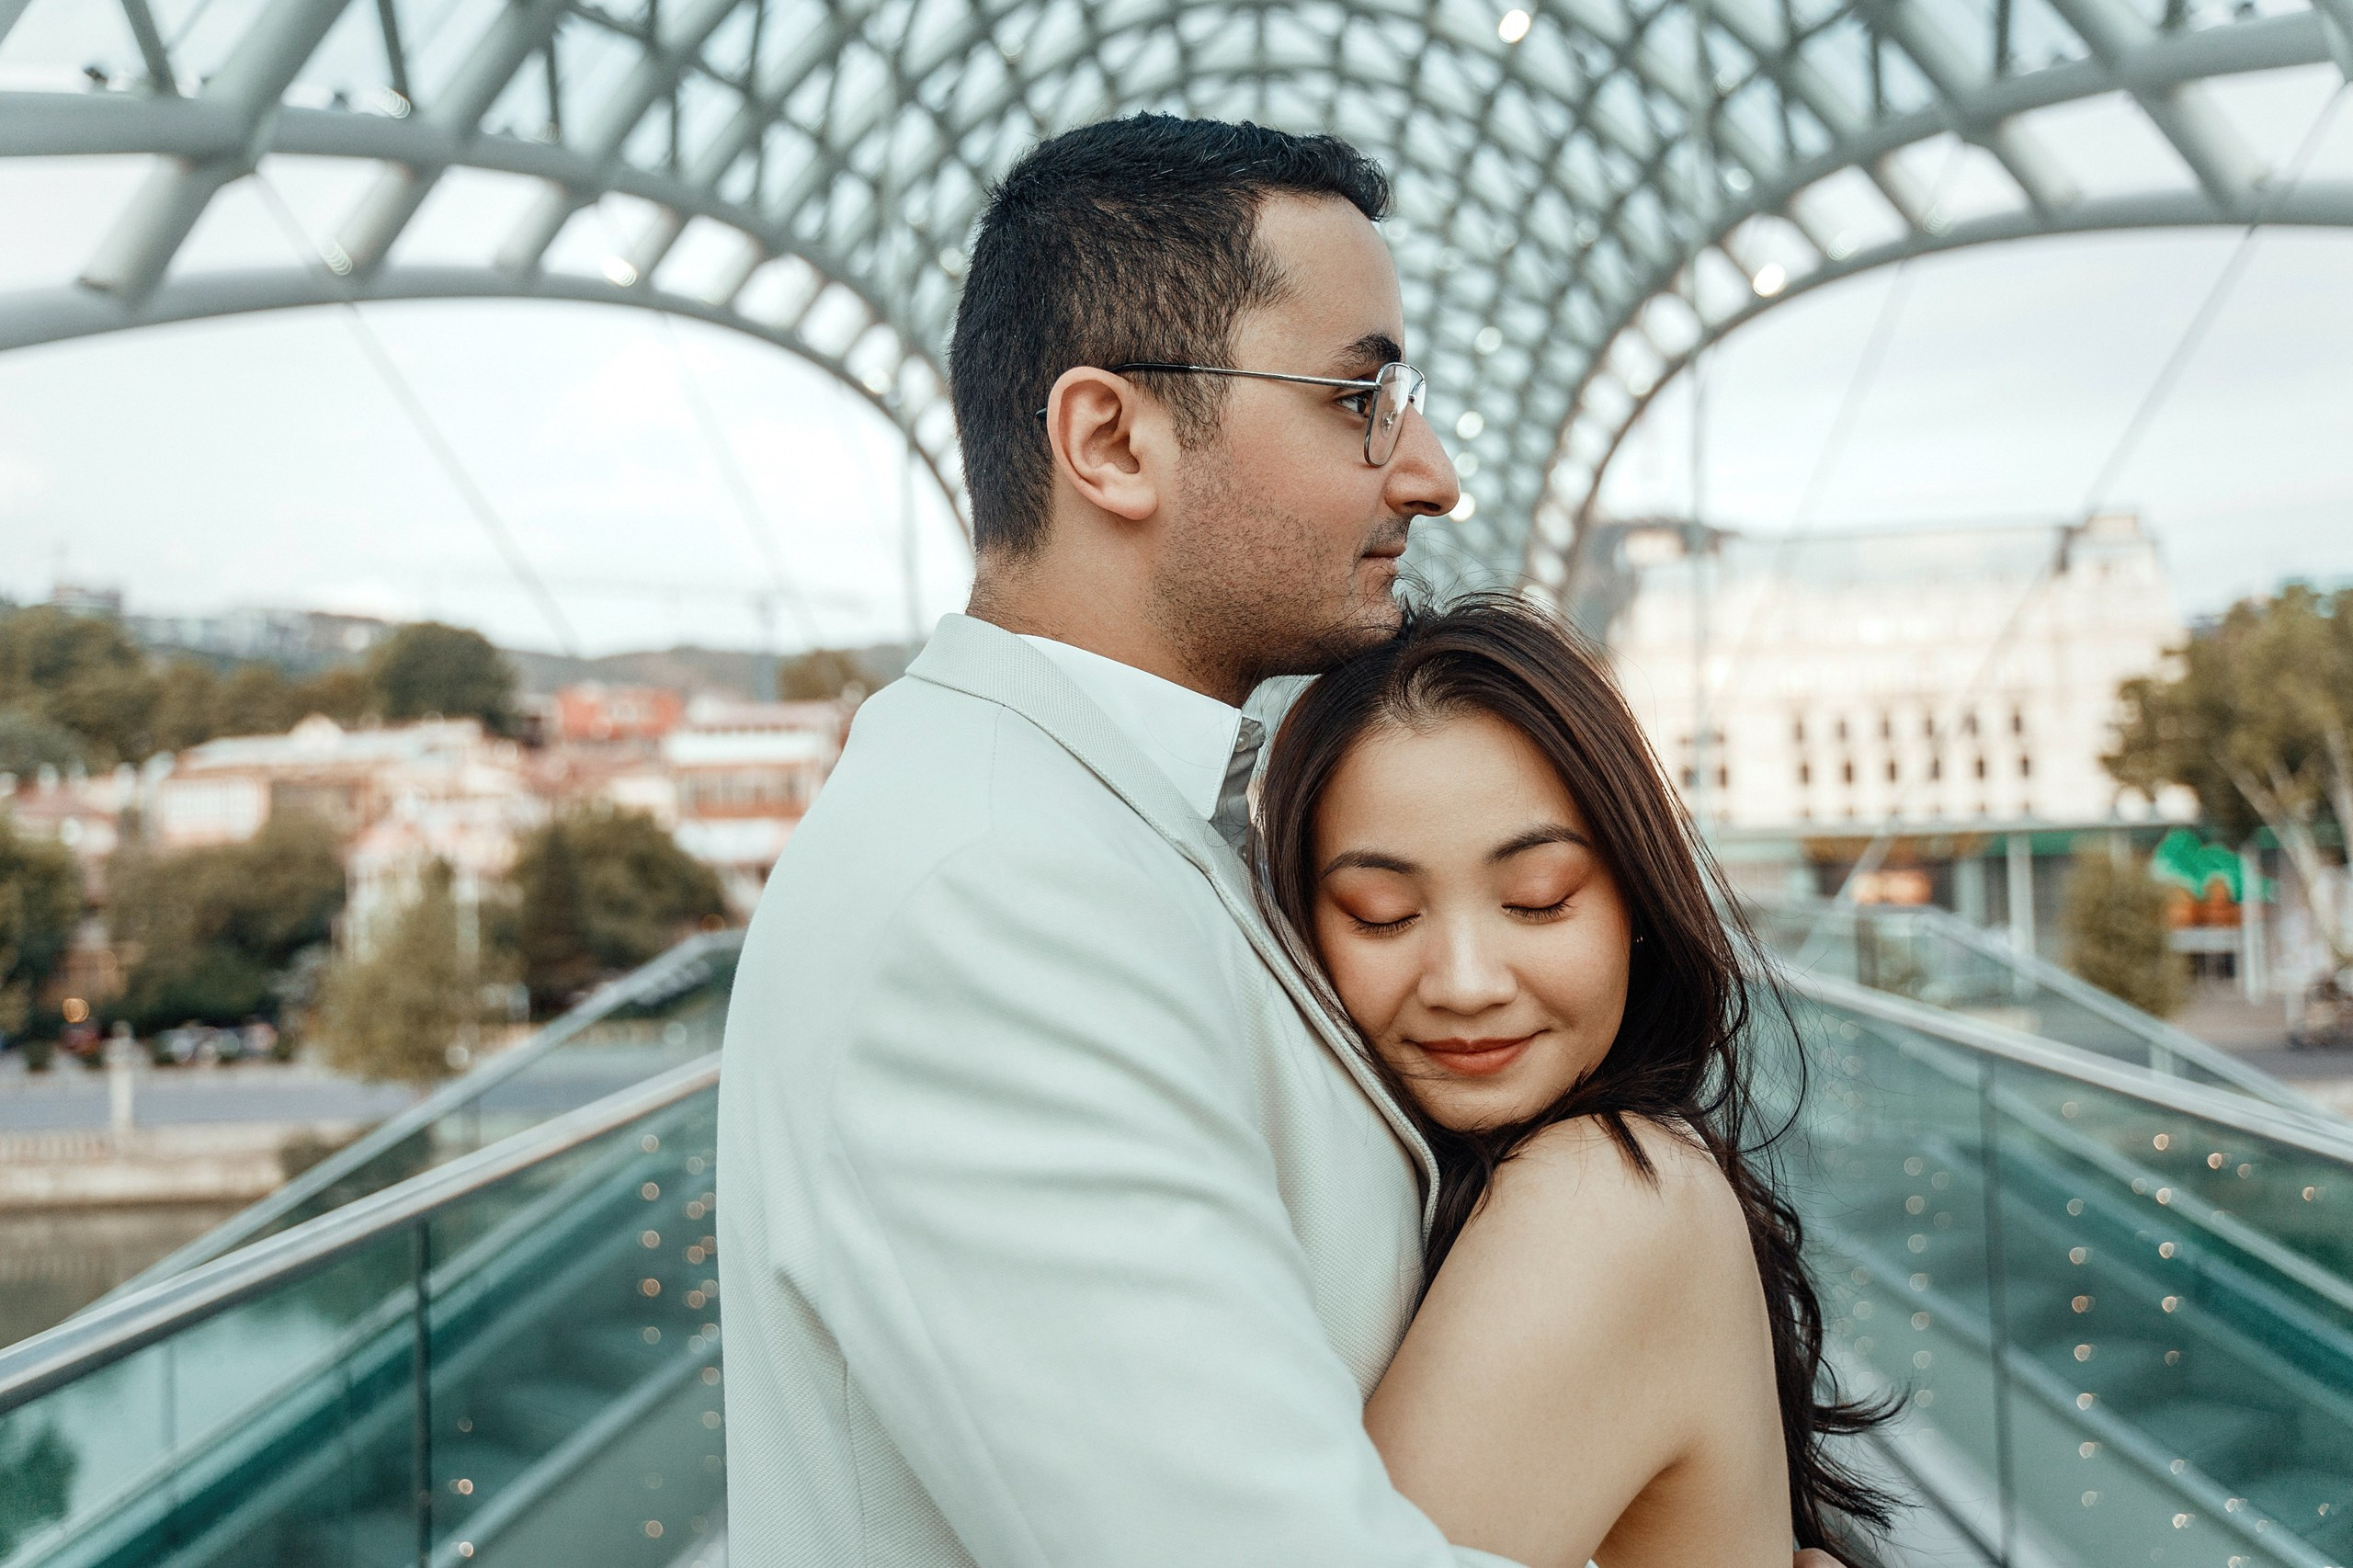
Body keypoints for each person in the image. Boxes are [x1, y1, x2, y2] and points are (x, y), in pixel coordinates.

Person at [717, 112, 1857, 1567]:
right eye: (1356, 401)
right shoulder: (994, 896)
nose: (1430, 472)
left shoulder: (1104, 825)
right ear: (1111, 440)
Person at [1255, 595, 1897, 1565]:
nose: (1465, 982)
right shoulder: (1545, 1178)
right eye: (1380, 912)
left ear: (1634, 900)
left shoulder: (1605, 1189)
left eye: (1537, 900)